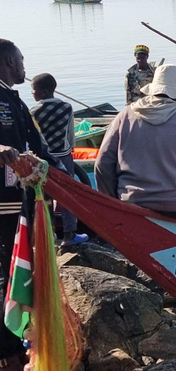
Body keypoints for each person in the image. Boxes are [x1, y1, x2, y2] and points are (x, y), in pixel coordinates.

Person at [95, 65, 176, 230]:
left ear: (152, 91)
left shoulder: (124, 116)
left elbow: (102, 164)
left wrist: (114, 206)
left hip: (130, 203)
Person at [0, 39, 54, 370]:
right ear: (8, 60)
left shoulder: (14, 99)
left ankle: (14, 341)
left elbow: (36, 146)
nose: (24, 66)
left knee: (16, 269)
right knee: (7, 272)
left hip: (17, 200)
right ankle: (7, 350)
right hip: (3, 205)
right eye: (20, 60)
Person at [29, 73, 88, 247]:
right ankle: (70, 235)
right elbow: (70, 134)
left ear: (43, 91)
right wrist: (69, 150)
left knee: (43, 196)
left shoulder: (33, 112)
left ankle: (50, 235)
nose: (33, 93)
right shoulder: (66, 107)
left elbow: (34, 138)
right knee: (67, 195)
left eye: (34, 90)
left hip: (43, 160)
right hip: (64, 156)